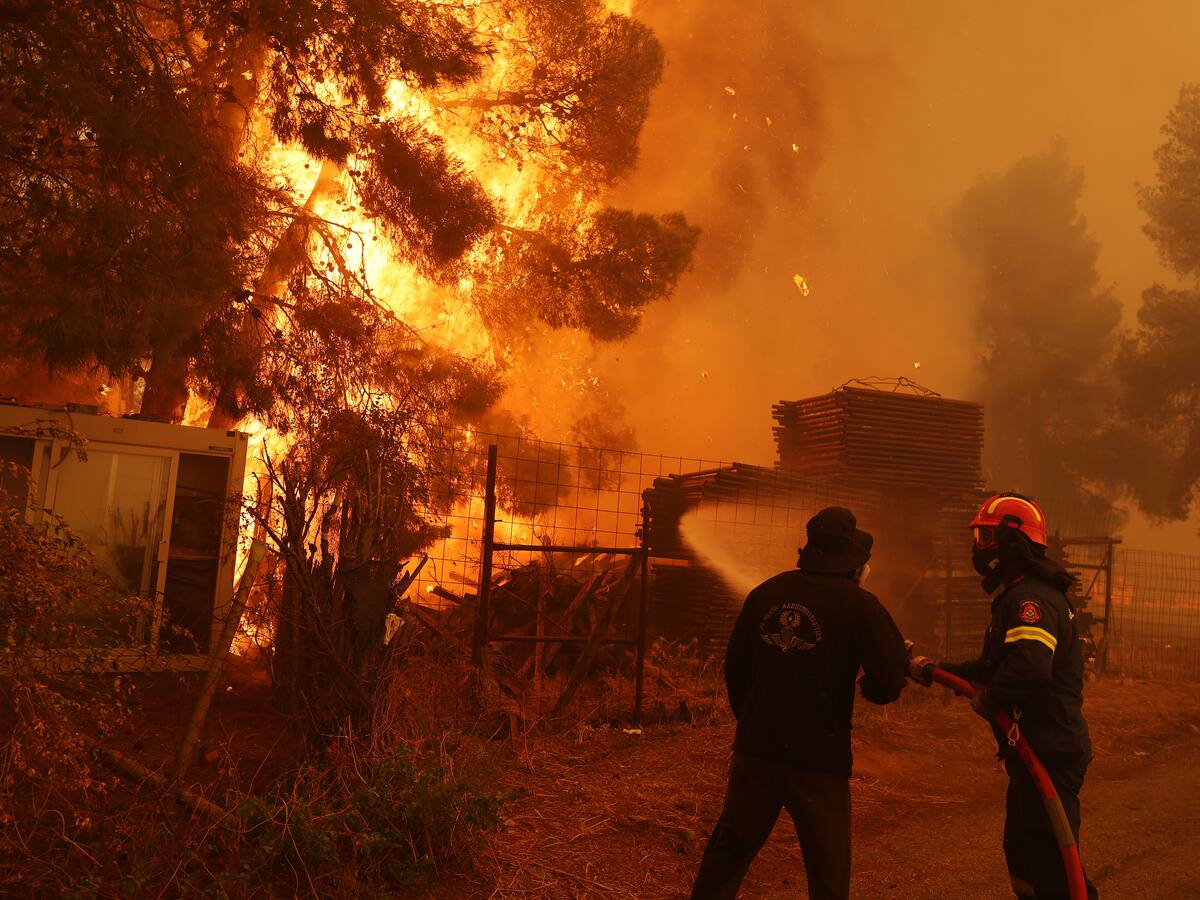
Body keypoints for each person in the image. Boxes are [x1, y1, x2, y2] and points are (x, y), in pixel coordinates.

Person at [691, 506, 908, 900]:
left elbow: (734, 668)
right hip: (819, 761)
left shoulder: (765, 594)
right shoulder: (861, 606)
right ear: (851, 561)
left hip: (756, 753)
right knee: (828, 869)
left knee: (729, 853)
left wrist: (753, 720)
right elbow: (891, 678)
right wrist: (872, 689)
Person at [908, 493, 1099, 900]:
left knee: (1053, 865)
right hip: (1035, 749)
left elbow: (1029, 667)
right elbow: (997, 666)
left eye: (987, 538)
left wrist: (989, 698)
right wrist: (935, 670)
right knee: (1024, 854)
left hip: (1049, 748)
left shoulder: (1031, 599)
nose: (980, 549)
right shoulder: (1019, 594)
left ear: (1014, 542)